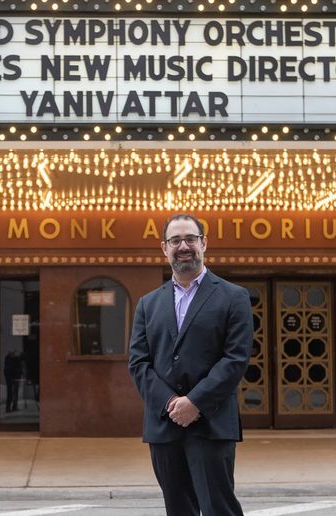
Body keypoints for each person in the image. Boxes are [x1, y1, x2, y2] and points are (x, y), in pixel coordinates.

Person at [128, 213, 252, 516]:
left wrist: (194, 402)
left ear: (204, 243)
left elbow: (235, 359)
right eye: (175, 241)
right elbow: (138, 362)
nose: (183, 246)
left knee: (218, 508)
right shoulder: (148, 303)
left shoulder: (234, 297)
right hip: (164, 425)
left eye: (190, 239)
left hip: (211, 423)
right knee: (178, 509)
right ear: (164, 248)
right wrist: (172, 402)